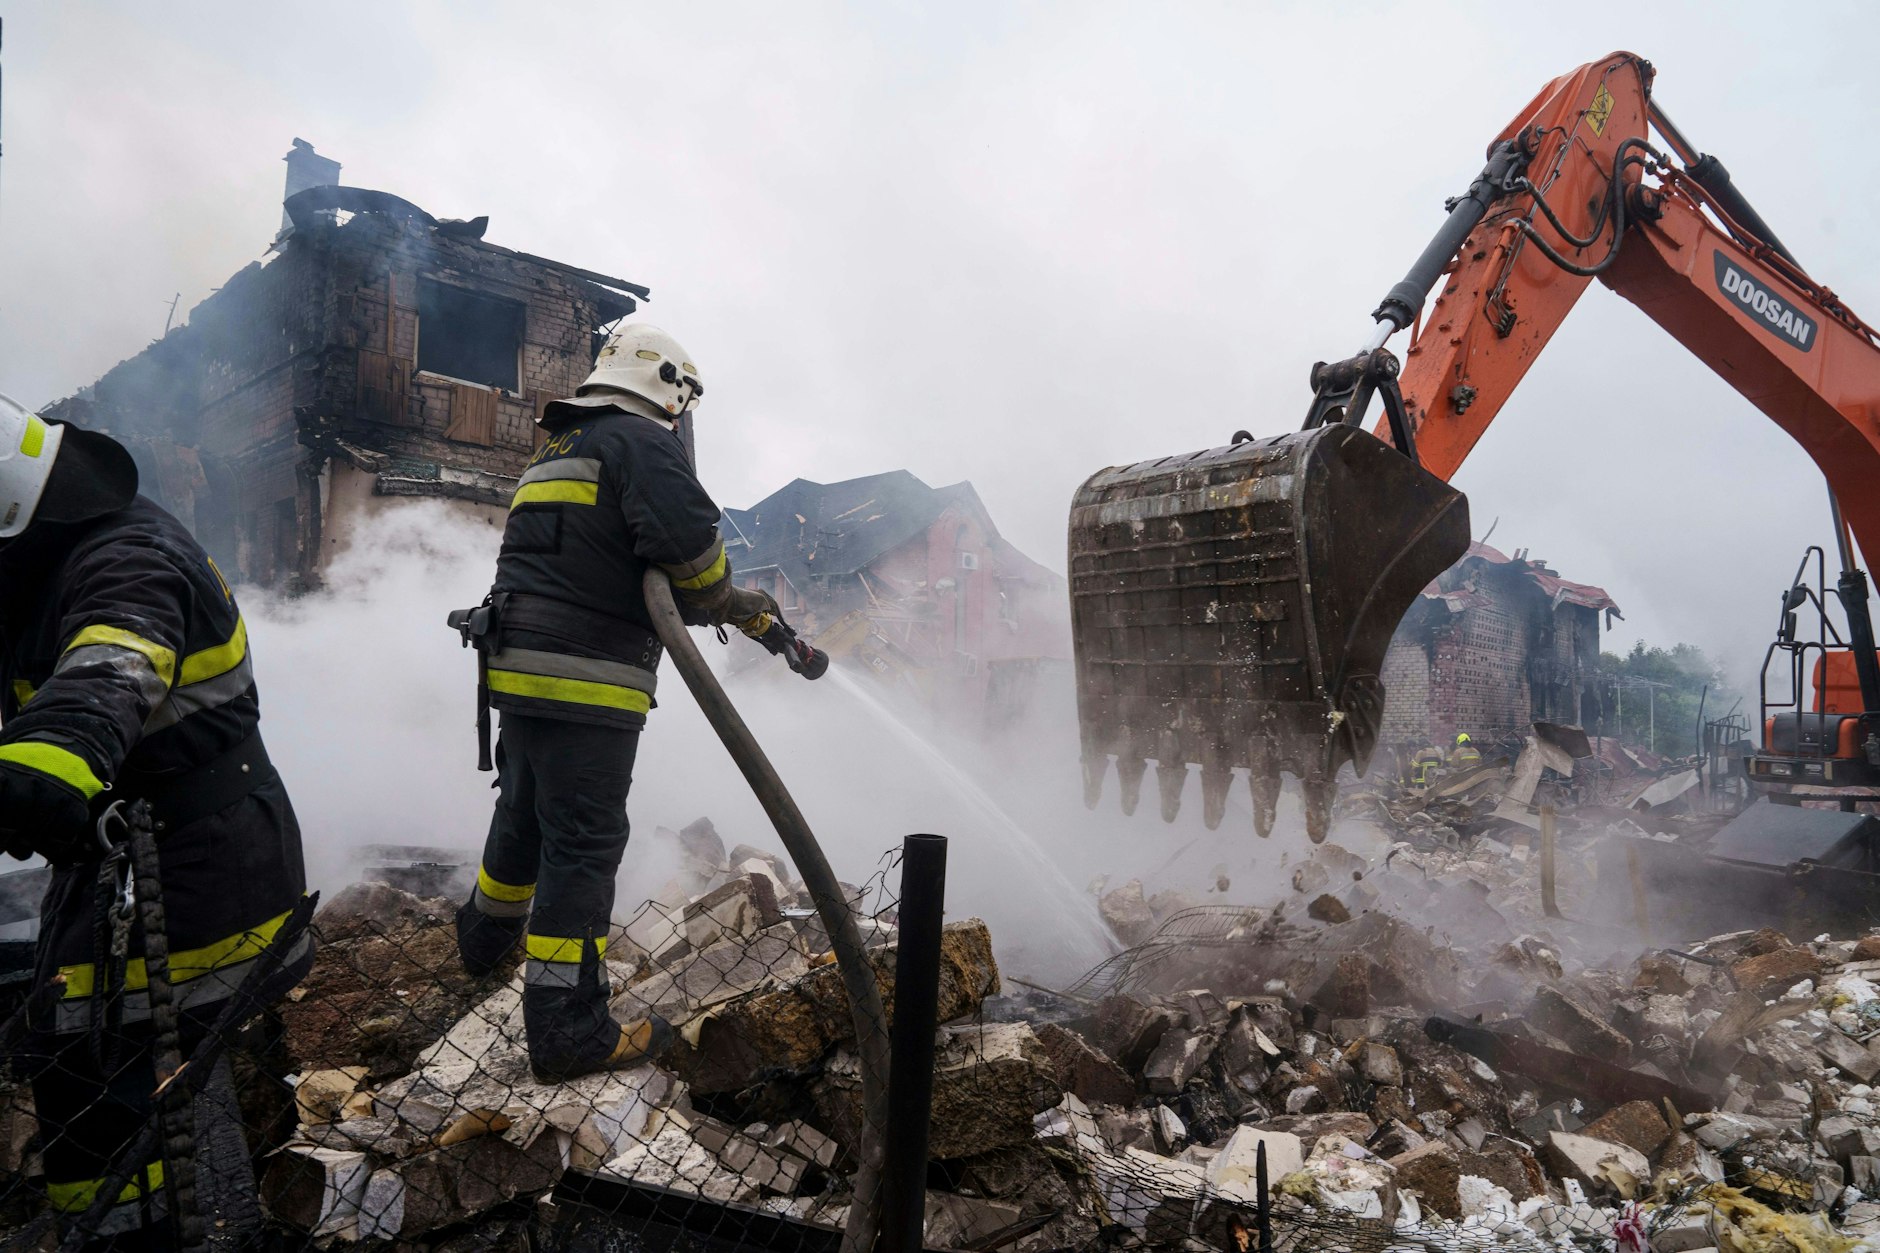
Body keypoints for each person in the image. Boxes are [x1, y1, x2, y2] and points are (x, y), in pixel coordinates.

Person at [0, 394, 310, 1248]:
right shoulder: (43, 567)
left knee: (110, 1068)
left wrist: (45, 763)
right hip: (125, 862)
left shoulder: (127, 557)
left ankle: (157, 1232)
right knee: (79, 1061)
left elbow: (111, 668)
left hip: (196, 869)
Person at [455, 324, 797, 1083]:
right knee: (582, 845)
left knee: (522, 810)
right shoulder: (642, 442)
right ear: (669, 387)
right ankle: (569, 1029)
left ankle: (480, 941)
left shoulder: (561, 444)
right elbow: (697, 573)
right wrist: (745, 603)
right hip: (587, 679)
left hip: (518, 667)